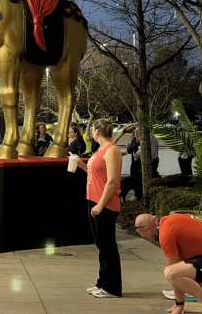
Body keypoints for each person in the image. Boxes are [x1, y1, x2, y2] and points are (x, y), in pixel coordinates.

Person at [135, 212, 202, 314]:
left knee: (170, 273)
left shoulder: (166, 233)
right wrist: (179, 305)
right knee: (174, 273)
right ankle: (191, 292)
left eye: (141, 234)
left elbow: (173, 270)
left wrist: (179, 305)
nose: (143, 237)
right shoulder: (170, 219)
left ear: (146, 228)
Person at [76, 118, 122, 298]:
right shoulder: (100, 150)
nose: (91, 133)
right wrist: (81, 165)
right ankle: (102, 282)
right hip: (93, 200)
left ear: (97, 131)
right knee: (101, 245)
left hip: (105, 204)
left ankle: (112, 287)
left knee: (108, 245)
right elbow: (98, 176)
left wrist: (101, 205)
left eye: (92, 130)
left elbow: (112, 181)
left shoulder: (112, 151)